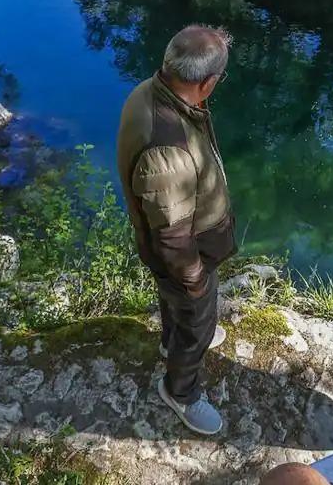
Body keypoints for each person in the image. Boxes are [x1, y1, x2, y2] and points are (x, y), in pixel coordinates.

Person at [116, 25, 238, 436]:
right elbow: (172, 238)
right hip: (186, 257)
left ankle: (173, 338)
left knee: (178, 308)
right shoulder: (168, 151)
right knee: (196, 320)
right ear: (208, 83)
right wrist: (197, 282)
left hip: (171, 247)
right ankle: (180, 392)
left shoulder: (152, 91)